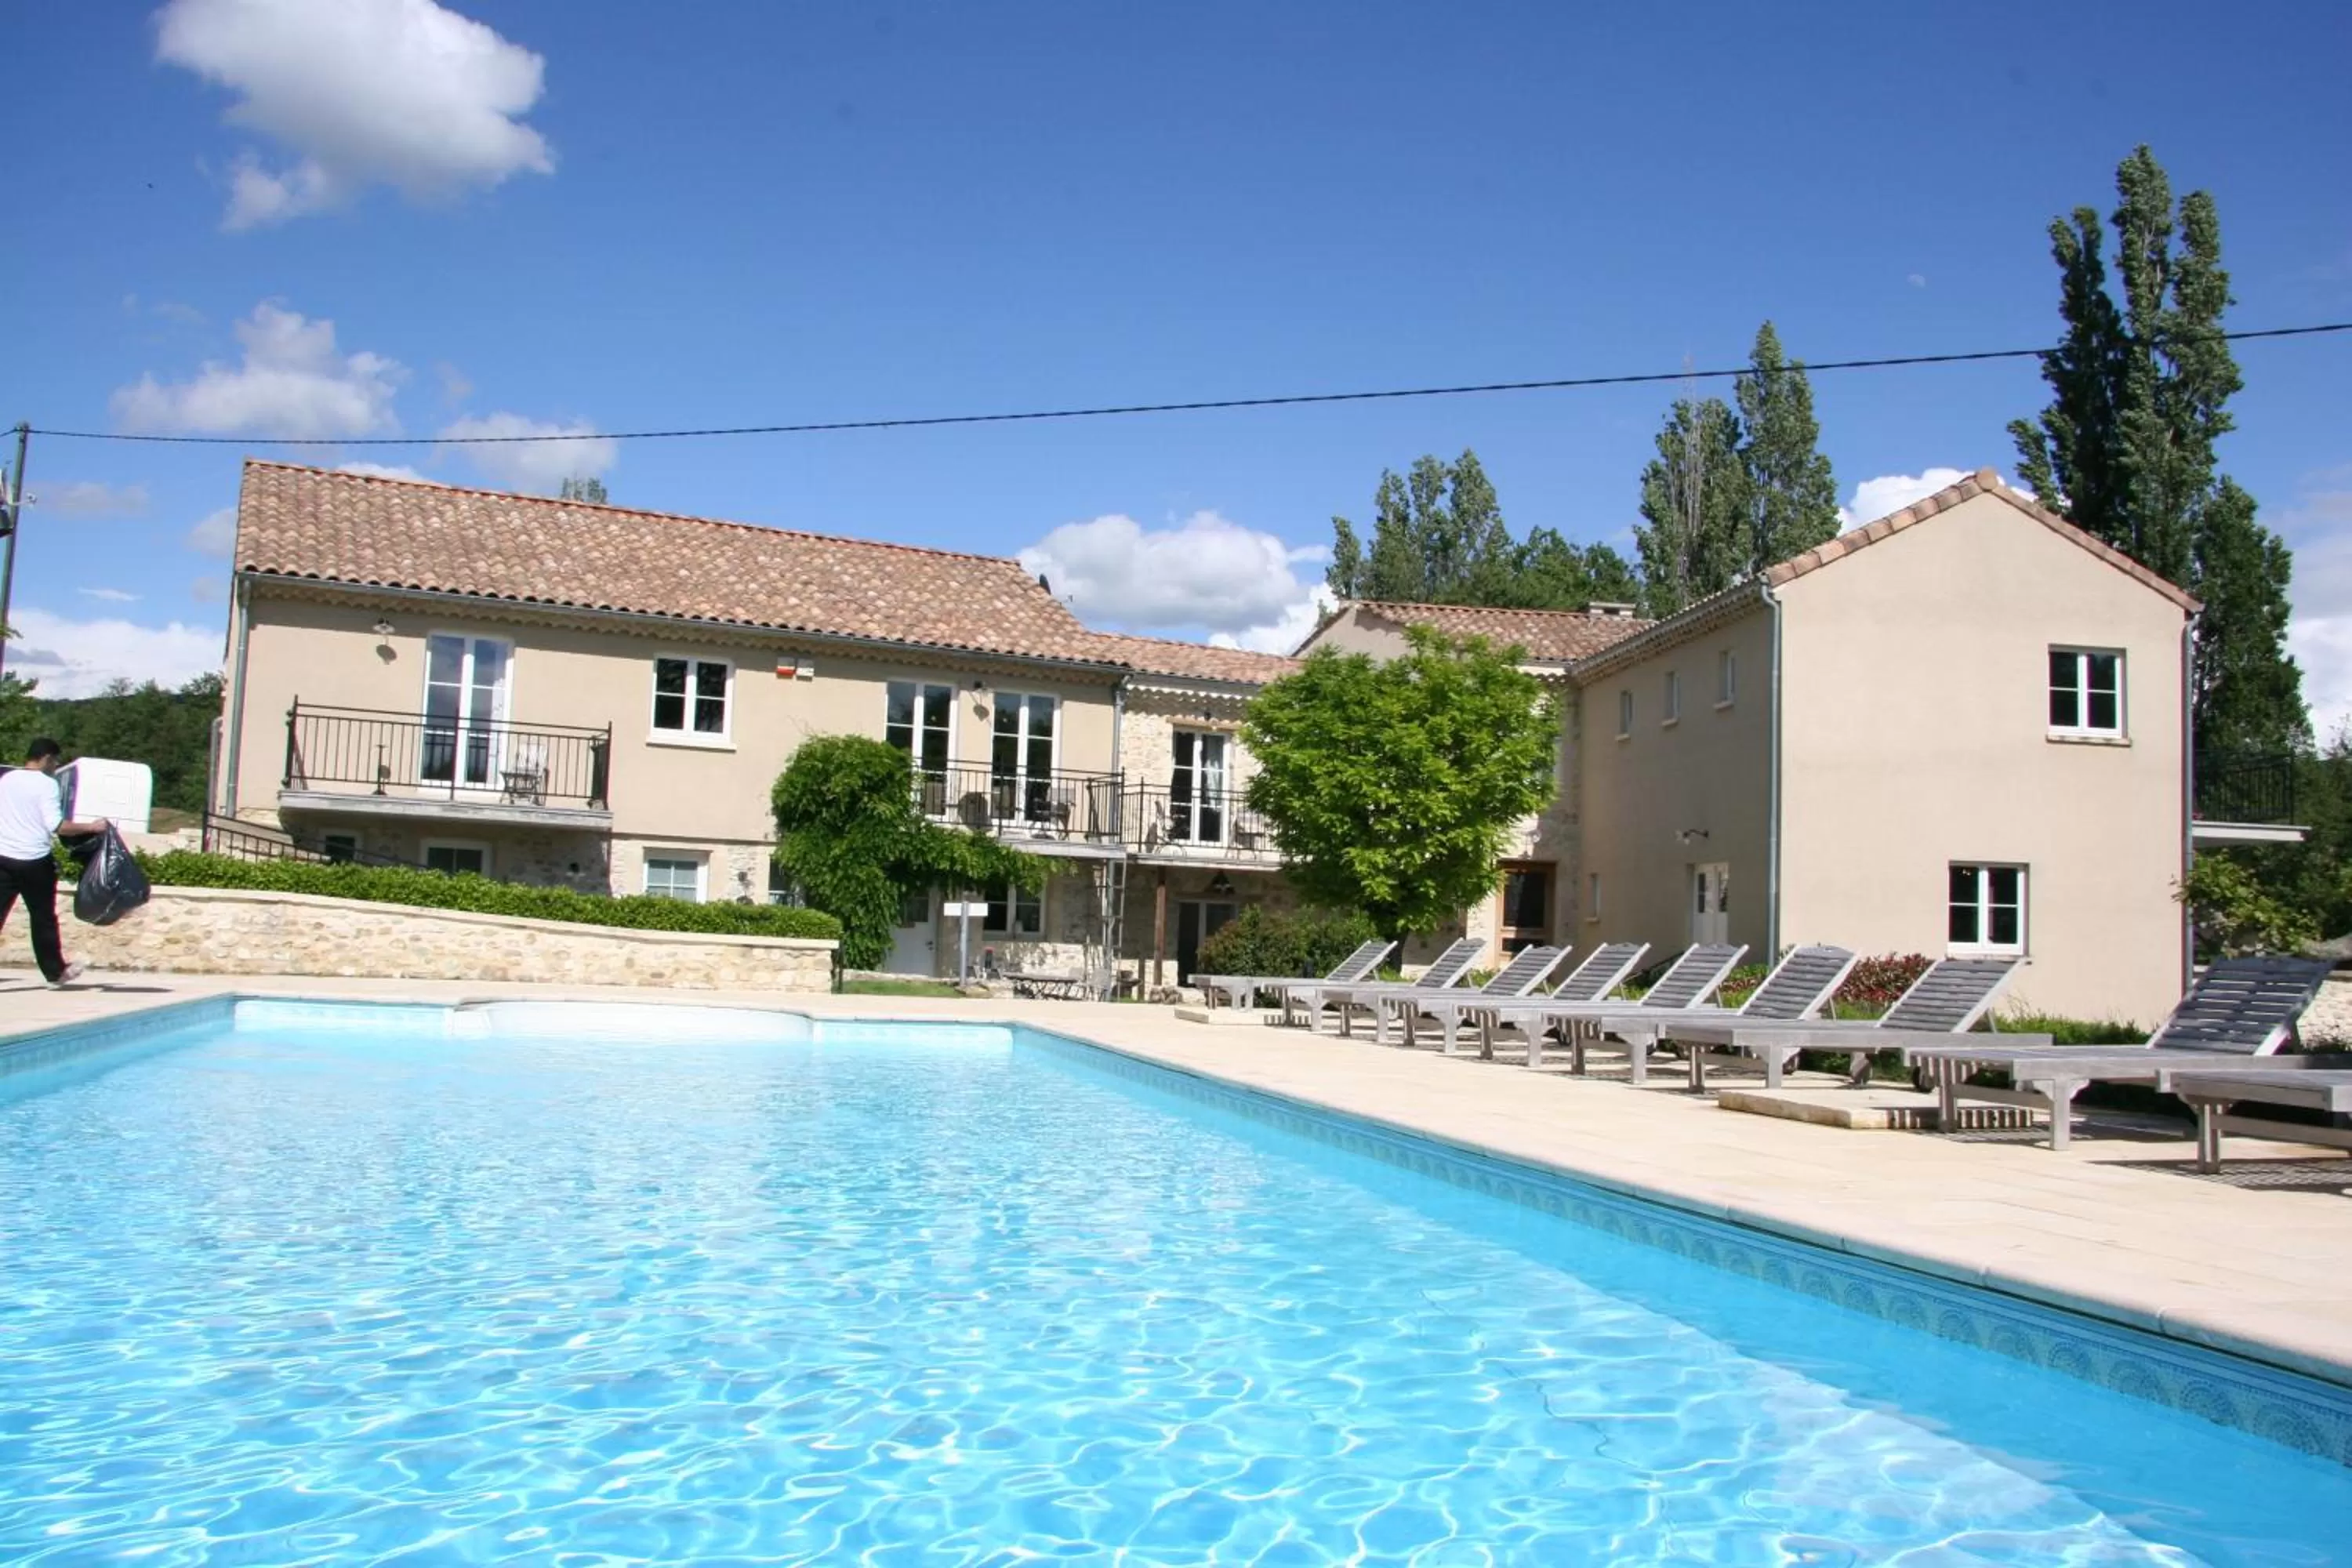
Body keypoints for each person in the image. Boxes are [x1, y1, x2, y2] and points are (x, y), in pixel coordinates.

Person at [0, 739, 111, 986]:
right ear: (47, 758)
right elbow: (57, 825)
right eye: (55, 761)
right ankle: (55, 972)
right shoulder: (47, 785)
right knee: (42, 918)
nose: (56, 765)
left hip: (3, 858)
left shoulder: (7, 780)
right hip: (34, 860)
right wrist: (92, 827)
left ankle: (55, 972)